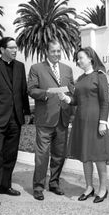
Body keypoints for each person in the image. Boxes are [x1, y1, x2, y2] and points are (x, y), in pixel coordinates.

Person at [58, 46, 109, 203]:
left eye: (81, 58)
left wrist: (103, 122)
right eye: (78, 58)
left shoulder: (99, 76)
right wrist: (66, 98)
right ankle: (89, 187)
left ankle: (103, 189)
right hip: (81, 122)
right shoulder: (80, 79)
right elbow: (76, 100)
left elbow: (105, 102)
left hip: (95, 122)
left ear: (90, 58)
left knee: (99, 157)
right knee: (85, 156)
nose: (78, 61)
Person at [0, 37, 30, 207]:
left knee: (10, 155)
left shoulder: (20, 66)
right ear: (2, 49)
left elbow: (23, 91)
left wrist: (26, 114)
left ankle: (5, 185)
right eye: (11, 48)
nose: (15, 50)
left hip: (15, 119)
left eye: (16, 48)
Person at [28, 38, 74, 201]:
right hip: (45, 119)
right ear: (47, 52)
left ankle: (54, 183)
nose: (57, 54)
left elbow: (72, 91)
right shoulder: (36, 68)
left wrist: (70, 101)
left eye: (58, 51)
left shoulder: (67, 69)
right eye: (53, 51)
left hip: (62, 118)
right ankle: (38, 187)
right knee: (42, 155)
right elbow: (31, 90)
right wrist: (47, 93)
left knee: (59, 155)